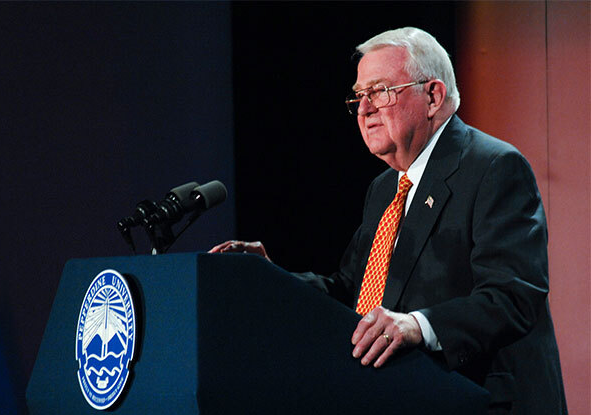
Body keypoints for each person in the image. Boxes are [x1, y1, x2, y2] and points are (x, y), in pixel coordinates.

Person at [210, 27, 566, 415]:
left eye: (379, 91)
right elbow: (353, 295)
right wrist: (268, 278)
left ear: (433, 96)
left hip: (484, 401)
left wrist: (419, 325)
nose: (364, 110)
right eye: (358, 96)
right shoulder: (384, 188)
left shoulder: (494, 167)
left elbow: (512, 298)